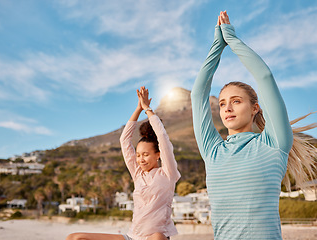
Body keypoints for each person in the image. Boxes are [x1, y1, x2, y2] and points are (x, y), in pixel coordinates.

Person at [191, 11, 317, 239]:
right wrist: (216, 46)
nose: (227, 108)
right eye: (222, 104)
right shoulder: (212, 151)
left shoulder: (274, 143)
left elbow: (265, 77)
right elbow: (198, 94)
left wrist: (232, 40)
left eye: (236, 101)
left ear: (255, 107)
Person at [66, 86, 181, 240]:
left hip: (155, 238)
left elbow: (163, 138)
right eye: (138, 155)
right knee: (75, 237)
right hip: (132, 236)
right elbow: (124, 140)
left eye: (145, 155)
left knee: (158, 237)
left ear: (158, 155)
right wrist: (138, 109)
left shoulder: (168, 173)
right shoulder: (137, 173)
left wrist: (148, 109)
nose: (140, 159)